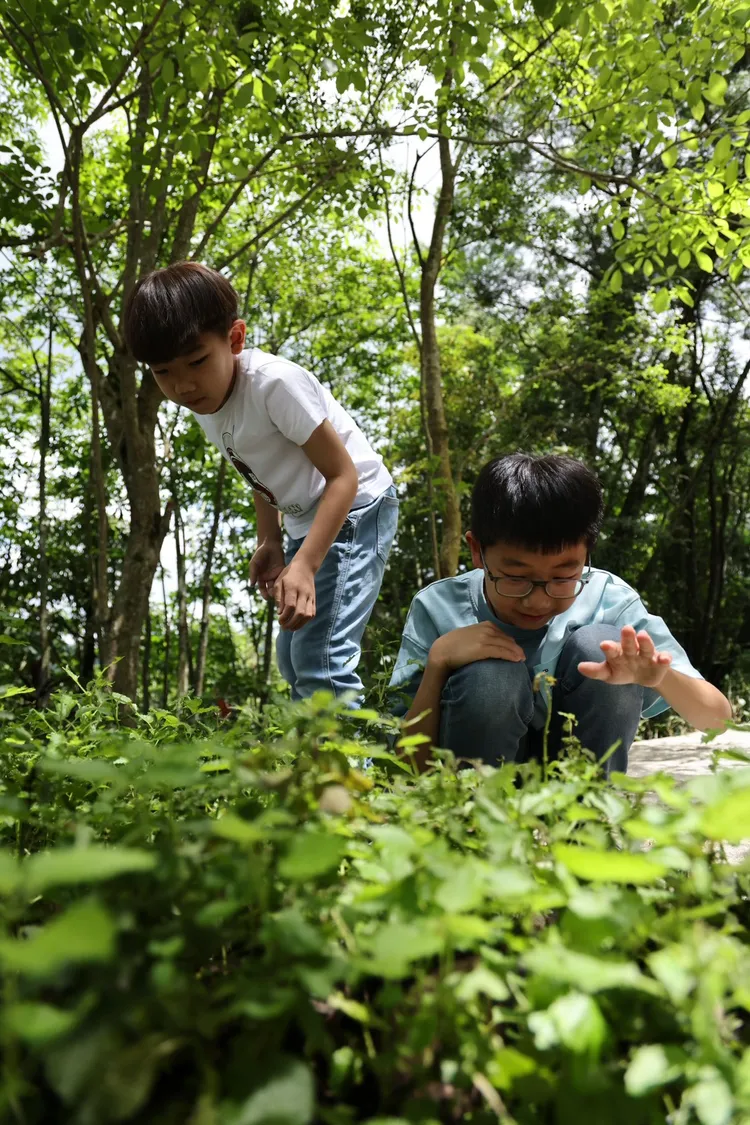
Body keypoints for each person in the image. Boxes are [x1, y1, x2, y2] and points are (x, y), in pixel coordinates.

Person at [124, 261, 398, 699]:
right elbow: (257, 474)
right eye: (163, 373)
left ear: (234, 339)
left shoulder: (274, 386)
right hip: (305, 518)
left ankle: (344, 766)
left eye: (196, 361)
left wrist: (305, 564)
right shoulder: (208, 403)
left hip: (358, 507)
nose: (183, 386)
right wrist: (269, 540)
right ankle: (313, 759)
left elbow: (343, 476)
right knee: (292, 655)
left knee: (320, 660)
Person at [389, 453, 731, 774]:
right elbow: (403, 766)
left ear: (587, 556)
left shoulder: (610, 602)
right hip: (476, 788)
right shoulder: (439, 609)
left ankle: (589, 830)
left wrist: (659, 678)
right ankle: (473, 829)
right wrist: (438, 664)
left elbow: (718, 721)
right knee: (490, 677)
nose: (537, 601)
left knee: (601, 645)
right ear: (477, 551)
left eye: (563, 578)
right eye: (516, 578)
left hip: (578, 785)